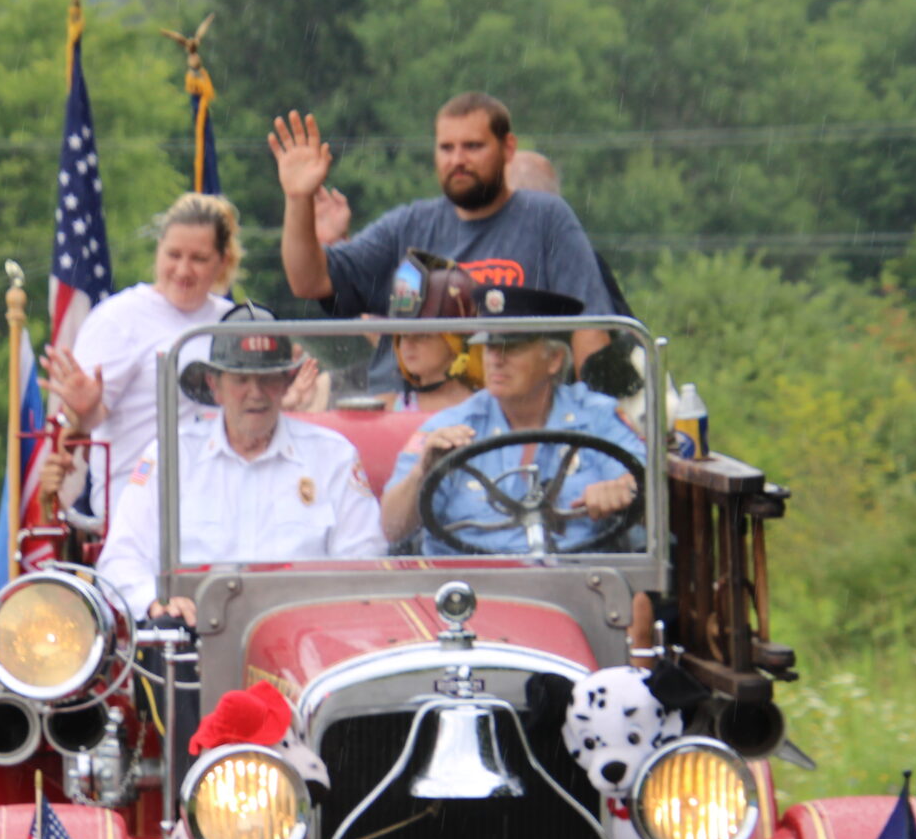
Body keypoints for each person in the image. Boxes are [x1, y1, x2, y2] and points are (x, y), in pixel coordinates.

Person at [268, 94, 617, 378]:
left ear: (507, 149)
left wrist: (598, 421)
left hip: (505, 421)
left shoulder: (546, 219)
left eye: (473, 146)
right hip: (404, 420)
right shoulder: (408, 225)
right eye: (446, 148)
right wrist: (298, 198)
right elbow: (309, 281)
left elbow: (590, 328)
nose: (458, 160)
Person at [95, 308, 385, 621]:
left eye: (267, 378)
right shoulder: (169, 455)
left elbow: (363, 561)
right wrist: (157, 601)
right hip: (192, 640)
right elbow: (121, 557)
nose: (255, 393)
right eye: (241, 379)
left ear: (286, 383)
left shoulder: (334, 457)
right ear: (214, 385)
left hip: (306, 640)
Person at [381, 286, 647, 555]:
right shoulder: (448, 428)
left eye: (512, 347)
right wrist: (421, 472)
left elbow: (646, 489)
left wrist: (621, 490)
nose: (496, 359)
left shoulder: (596, 417)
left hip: (575, 584)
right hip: (470, 585)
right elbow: (392, 529)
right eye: (489, 347)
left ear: (554, 360)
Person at [40, 191, 241, 489]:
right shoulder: (119, 318)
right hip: (139, 494)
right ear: (158, 249)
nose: (183, 271)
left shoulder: (234, 323)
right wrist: (83, 409)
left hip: (223, 493)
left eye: (199, 259)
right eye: (174, 255)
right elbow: (86, 423)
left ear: (222, 261)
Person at [387, 253, 484, 414]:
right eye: (403, 336)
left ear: (456, 342)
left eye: (422, 335)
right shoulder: (387, 407)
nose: (408, 344)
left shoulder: (486, 408)